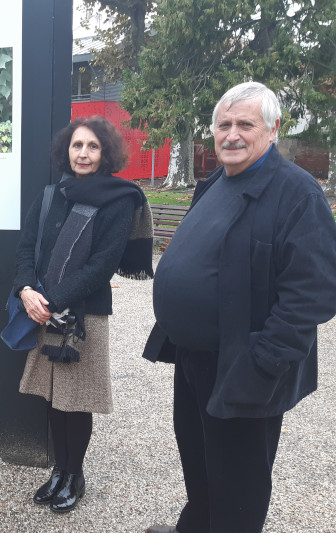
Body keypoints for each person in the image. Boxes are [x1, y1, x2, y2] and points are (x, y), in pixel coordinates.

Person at [143, 82, 336, 533]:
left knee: (239, 487)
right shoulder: (215, 182)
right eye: (223, 125)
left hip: (244, 366)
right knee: (200, 464)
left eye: (245, 124)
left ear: (272, 129)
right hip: (195, 360)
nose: (232, 134)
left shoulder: (298, 194)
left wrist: (262, 364)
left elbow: (314, 293)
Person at [13, 116, 154, 513]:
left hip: (84, 315)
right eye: (77, 146)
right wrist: (26, 291)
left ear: (105, 153)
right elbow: (26, 249)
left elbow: (102, 265)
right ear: (67, 150)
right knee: (54, 396)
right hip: (43, 310)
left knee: (77, 399)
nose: (84, 154)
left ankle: (75, 474)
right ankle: (59, 471)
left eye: (93, 147)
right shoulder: (51, 195)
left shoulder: (119, 198)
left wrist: (50, 300)